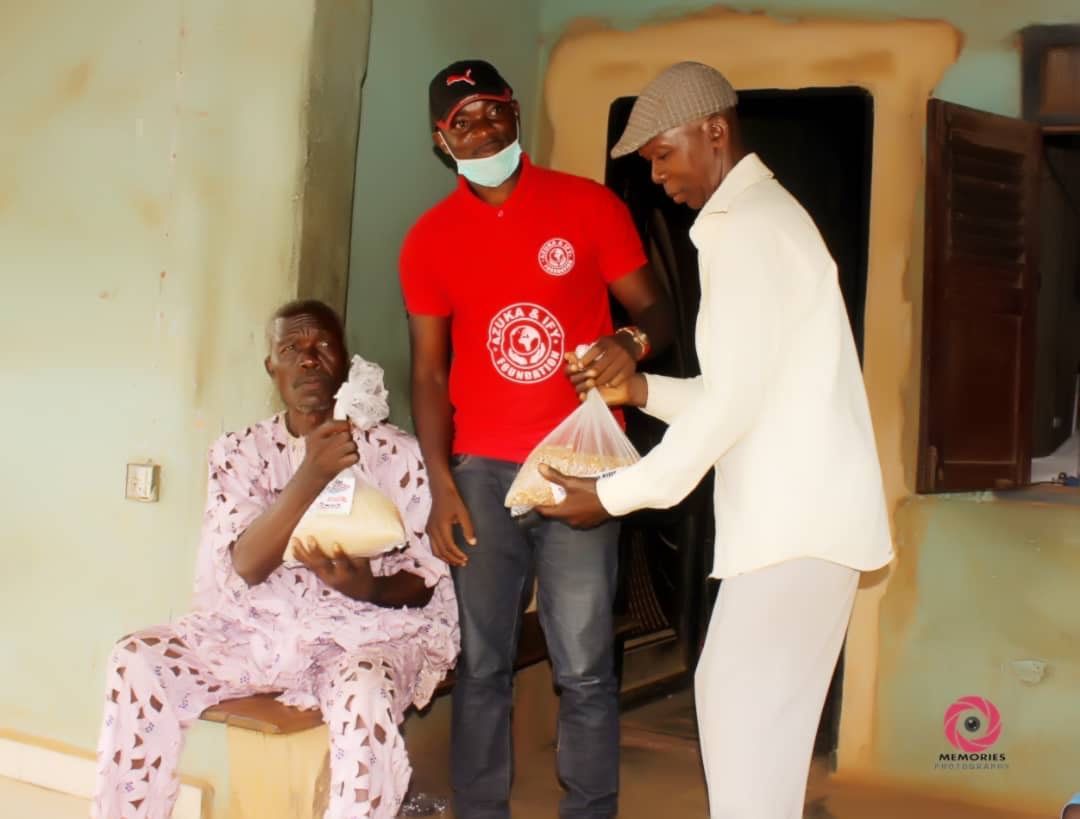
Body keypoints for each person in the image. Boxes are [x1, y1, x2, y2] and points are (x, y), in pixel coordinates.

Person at [539, 62, 895, 818]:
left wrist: (611, 495)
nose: (658, 176)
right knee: (763, 737)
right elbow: (743, 392)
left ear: (714, 131)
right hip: (811, 528)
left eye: (663, 154)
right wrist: (640, 391)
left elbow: (730, 405)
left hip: (794, 530)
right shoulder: (766, 217)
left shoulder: (743, 230)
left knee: (738, 713)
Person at [399, 59, 672, 819]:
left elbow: (658, 311)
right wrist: (441, 485)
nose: (482, 129)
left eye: (493, 110)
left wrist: (628, 342)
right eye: (463, 122)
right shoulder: (428, 241)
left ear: (515, 112)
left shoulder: (587, 206)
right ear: (441, 140)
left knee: (584, 666)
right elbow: (428, 374)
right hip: (480, 474)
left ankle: (590, 809)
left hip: (580, 465)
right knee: (483, 663)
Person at [90, 300, 459, 819]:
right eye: (291, 348)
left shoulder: (395, 453)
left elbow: (428, 577)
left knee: (364, 691)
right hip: (256, 633)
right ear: (272, 366)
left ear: (344, 359)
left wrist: (370, 589)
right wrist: (311, 475)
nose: (308, 359)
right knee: (137, 658)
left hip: (362, 636)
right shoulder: (238, 452)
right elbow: (244, 564)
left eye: (322, 345)